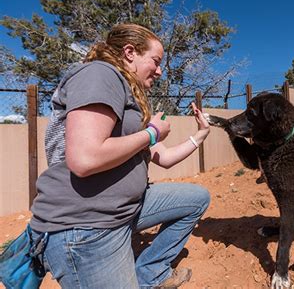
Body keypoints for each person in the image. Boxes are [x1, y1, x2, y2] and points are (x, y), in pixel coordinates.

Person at [29, 23, 211, 289]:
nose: (160, 71)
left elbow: (166, 158)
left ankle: (150, 274)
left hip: (124, 208)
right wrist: (151, 133)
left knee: (196, 199)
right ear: (129, 52)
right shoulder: (99, 75)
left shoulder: (130, 99)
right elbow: (85, 158)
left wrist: (201, 134)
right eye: (156, 61)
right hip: (87, 224)